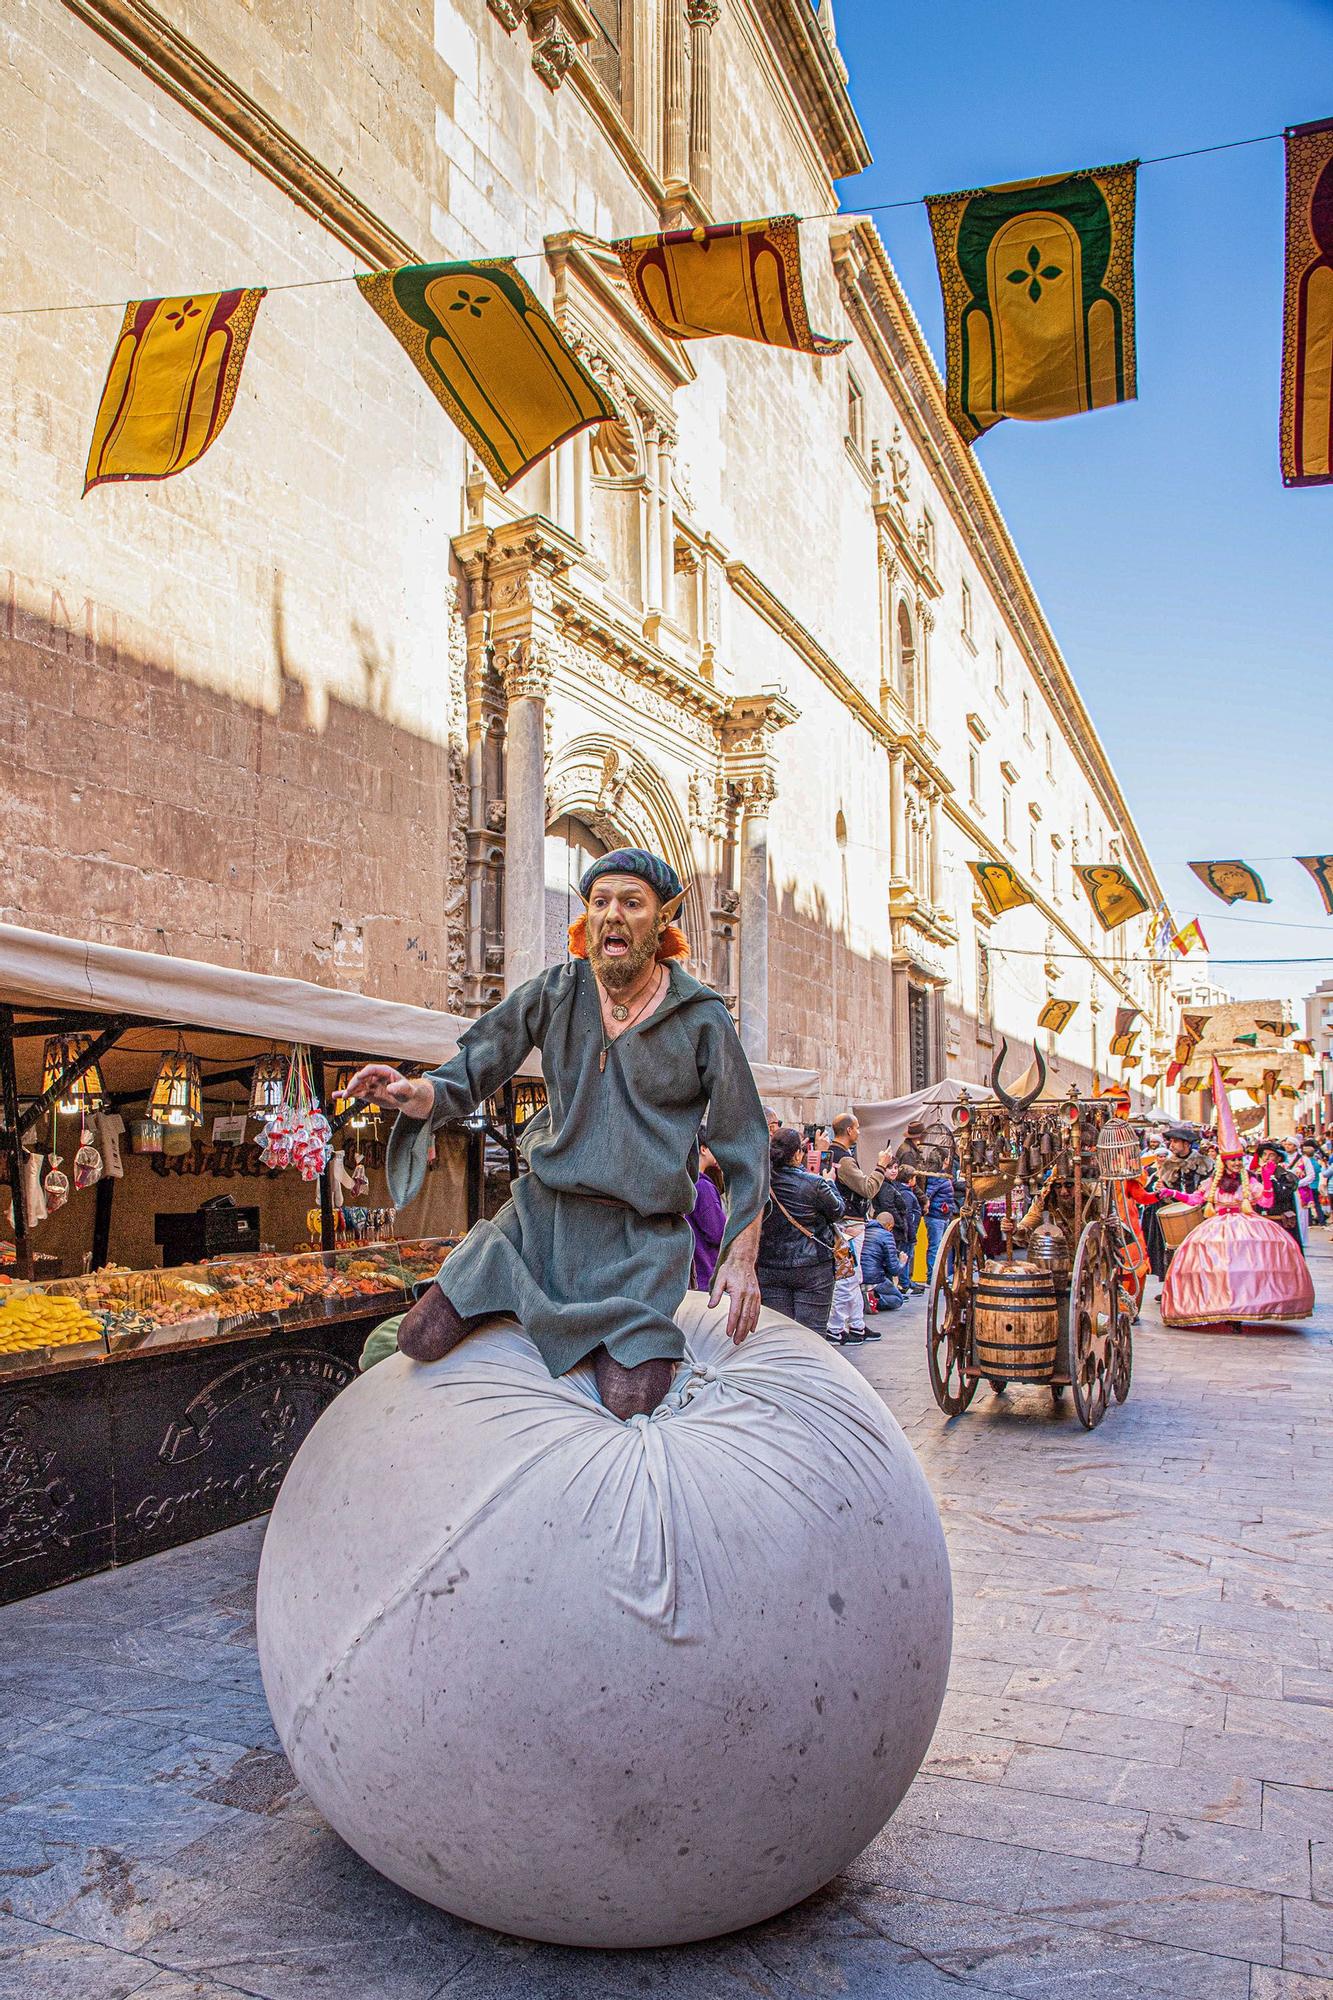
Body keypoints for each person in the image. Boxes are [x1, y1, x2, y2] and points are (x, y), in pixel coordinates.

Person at [345, 848, 768, 1421]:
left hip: (638, 1243)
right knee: (419, 1337)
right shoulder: (556, 991)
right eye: (600, 902)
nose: (612, 915)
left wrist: (742, 1257)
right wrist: (413, 1092)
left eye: (631, 902)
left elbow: (745, 1141)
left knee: (629, 1401)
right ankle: (519, 1307)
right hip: (540, 1221)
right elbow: (473, 1068)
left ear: (663, 917)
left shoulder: (702, 1017)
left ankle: (601, 1334)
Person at [1161, 1060, 1313, 1329]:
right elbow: (1196, 1200)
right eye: (1231, 1161)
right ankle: (1219, 1308)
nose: (1235, 1164)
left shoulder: (1249, 1181)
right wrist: (1170, 1191)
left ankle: (1249, 1307)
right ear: (1223, 1162)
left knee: (1246, 1267)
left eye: (1238, 1160)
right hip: (1216, 1227)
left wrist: (1266, 1179)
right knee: (1216, 1267)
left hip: (1247, 1227)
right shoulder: (1214, 1183)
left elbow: (1264, 1202)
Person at [755, 1126, 847, 1336]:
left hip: (771, 1264)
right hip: (812, 1267)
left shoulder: (761, 1182)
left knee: (778, 1333)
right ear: (798, 1154)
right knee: (812, 1334)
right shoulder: (815, 1184)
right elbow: (838, 1211)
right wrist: (830, 1182)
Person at [824, 1112, 890, 1344]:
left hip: (847, 1223)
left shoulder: (831, 1154)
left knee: (855, 1275)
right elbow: (867, 1188)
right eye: (857, 1128)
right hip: (848, 1225)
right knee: (847, 1277)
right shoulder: (844, 1159)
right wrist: (881, 1167)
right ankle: (834, 1327)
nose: (859, 1132)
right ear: (849, 1130)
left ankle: (856, 1325)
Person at [871, 1159, 926, 1297]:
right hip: (890, 1228)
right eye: (890, 1168)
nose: (894, 1171)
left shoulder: (891, 1186)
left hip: (894, 1227)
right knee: (889, 1260)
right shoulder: (885, 1187)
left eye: (896, 1167)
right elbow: (888, 1206)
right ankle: (889, 1293)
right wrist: (900, 1222)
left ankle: (892, 1290)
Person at [687, 1139, 727, 1291]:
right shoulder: (703, 1187)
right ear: (703, 1149)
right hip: (704, 1273)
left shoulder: (685, 1184)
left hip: (689, 1274)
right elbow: (717, 1233)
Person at [917, 1147, 958, 1281]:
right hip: (936, 1216)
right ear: (944, 1160)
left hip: (941, 1216)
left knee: (940, 1246)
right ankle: (933, 1276)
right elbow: (928, 1195)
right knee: (936, 1246)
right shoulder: (936, 1178)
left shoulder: (940, 1176)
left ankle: (939, 1274)